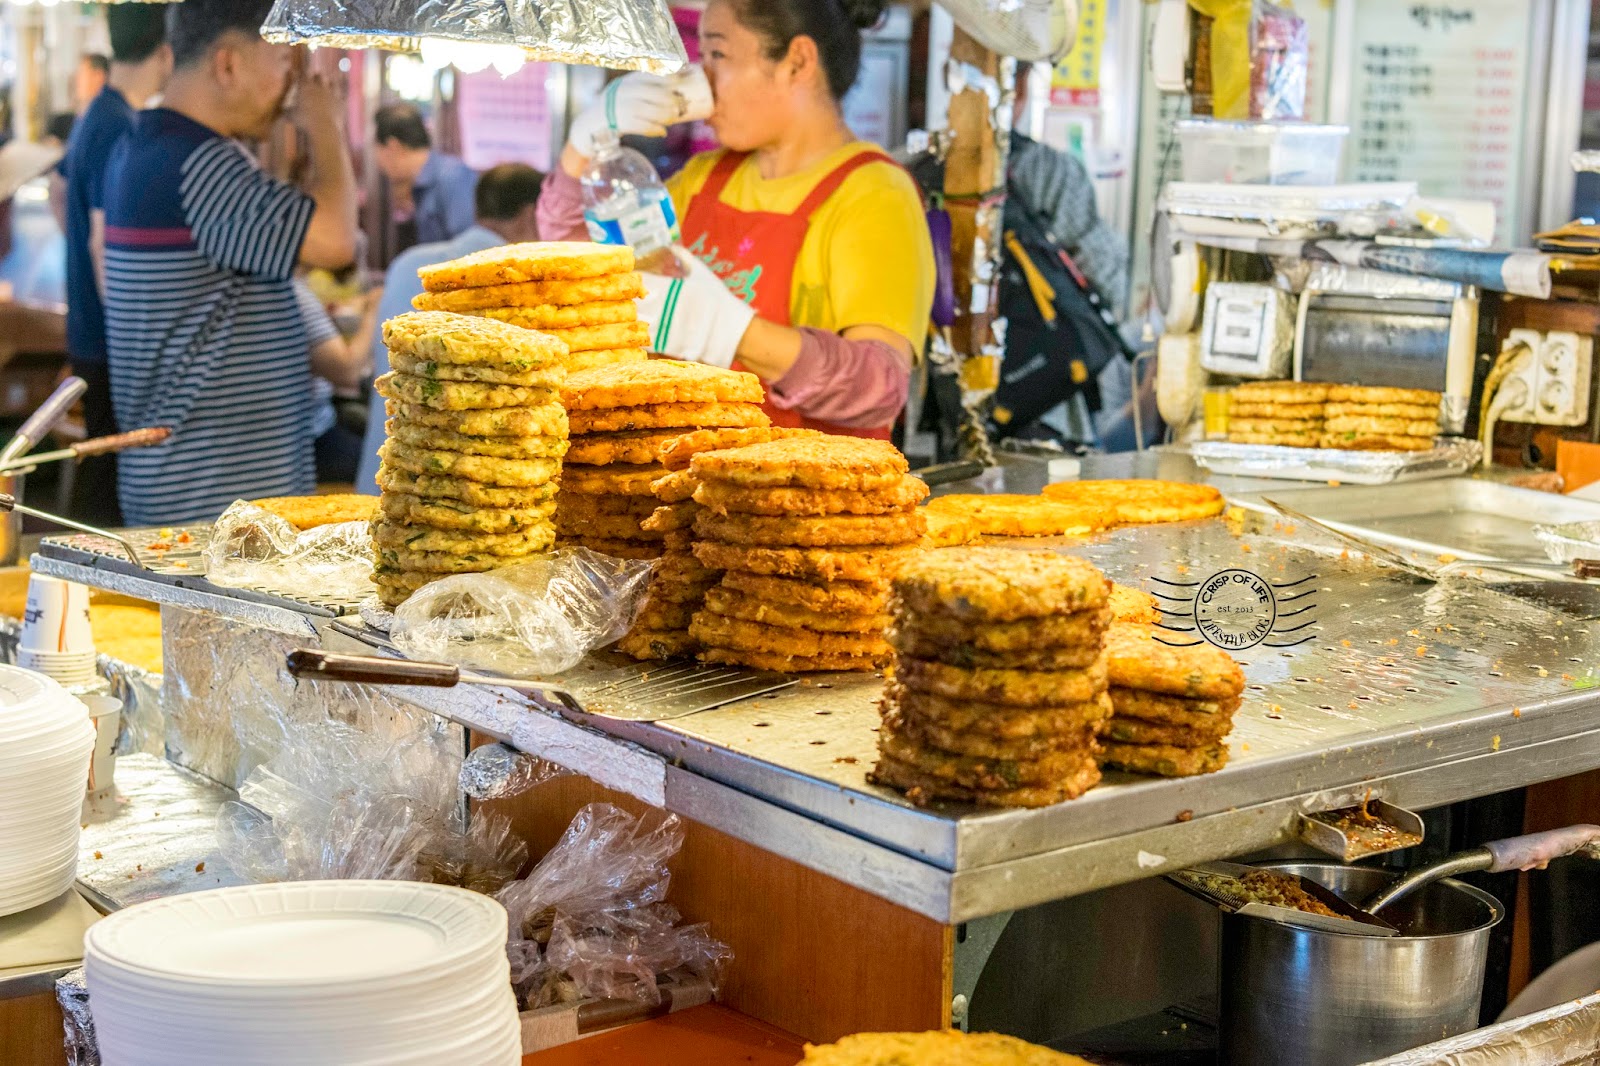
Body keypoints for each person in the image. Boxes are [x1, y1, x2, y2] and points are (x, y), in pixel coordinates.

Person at [538, 0, 933, 438]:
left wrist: (735, 333)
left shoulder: (873, 192)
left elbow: (878, 389)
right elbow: (581, 266)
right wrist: (586, 142)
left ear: (797, 62)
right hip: (678, 476)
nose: (700, 81)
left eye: (717, 56)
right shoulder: (708, 176)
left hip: (799, 493)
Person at [101, 0, 358, 525]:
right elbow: (336, 241)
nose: (292, 85)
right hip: (212, 501)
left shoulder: (147, 148)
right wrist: (327, 127)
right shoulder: (199, 163)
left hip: (196, 491)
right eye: (285, 63)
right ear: (228, 65)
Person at [354, 163, 545, 493]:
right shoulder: (518, 283)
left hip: (382, 474)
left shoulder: (409, 263)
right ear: (532, 214)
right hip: (455, 491)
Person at [56, 6, 171, 527]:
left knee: (98, 468)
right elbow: (106, 238)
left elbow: (63, 195)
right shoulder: (117, 124)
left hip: (91, 326)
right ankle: (88, 591)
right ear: (165, 48)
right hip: (109, 338)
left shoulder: (97, 115)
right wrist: (130, 334)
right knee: (104, 480)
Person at [373, 103, 478, 251]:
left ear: (393, 147)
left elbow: (469, 248)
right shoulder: (420, 185)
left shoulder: (453, 177)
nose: (379, 164)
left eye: (377, 151)